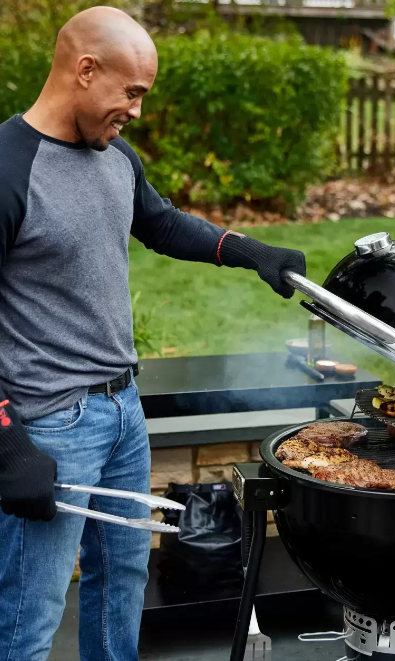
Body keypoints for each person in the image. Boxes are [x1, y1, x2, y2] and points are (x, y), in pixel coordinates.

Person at [0, 6, 306, 661]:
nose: (136, 110)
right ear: (85, 70)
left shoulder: (114, 155)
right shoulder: (6, 168)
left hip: (122, 412)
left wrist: (250, 251)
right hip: (50, 422)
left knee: (119, 592)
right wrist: (8, 444)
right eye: (131, 92)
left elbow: (161, 224)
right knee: (28, 615)